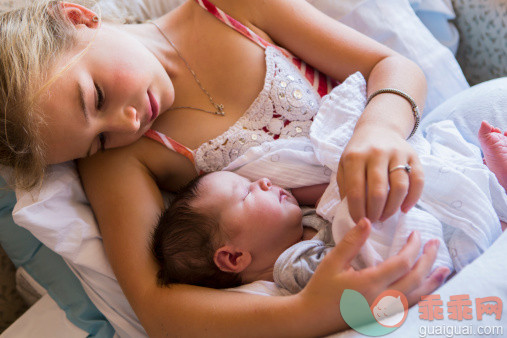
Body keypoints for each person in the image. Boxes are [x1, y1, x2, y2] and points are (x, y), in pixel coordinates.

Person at [0, 0, 454, 335]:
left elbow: (390, 66)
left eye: (95, 96)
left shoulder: (230, 10)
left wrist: (380, 129)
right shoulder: (126, 159)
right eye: (98, 141)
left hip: (423, 173)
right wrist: (311, 310)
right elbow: (158, 309)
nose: (128, 123)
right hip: (360, 251)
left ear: (78, 16)